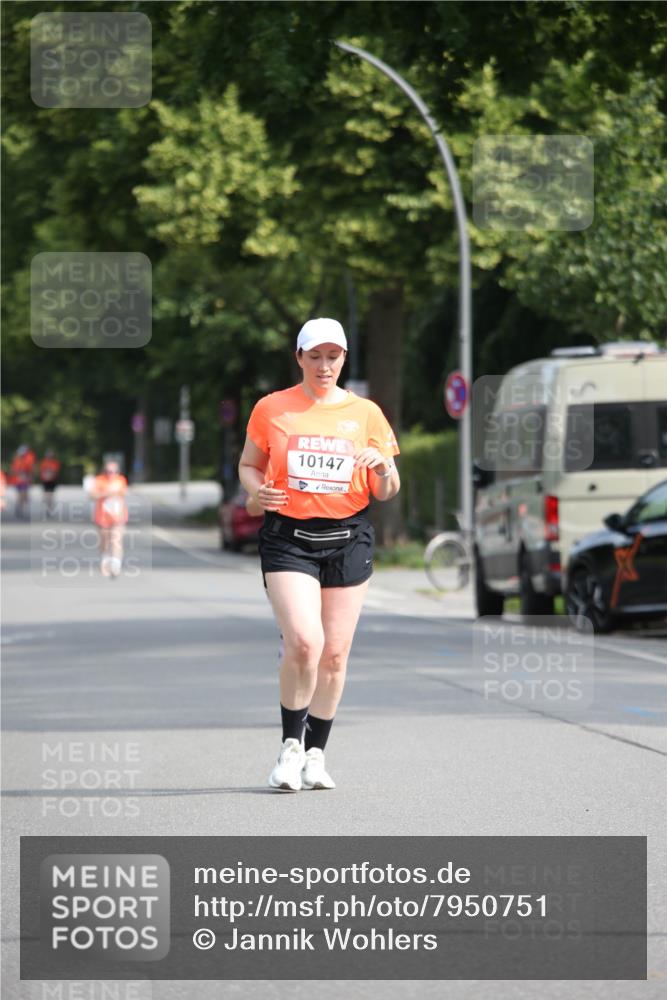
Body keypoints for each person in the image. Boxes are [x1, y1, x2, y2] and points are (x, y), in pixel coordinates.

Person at [238, 317, 400, 792]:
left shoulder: (366, 413)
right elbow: (249, 464)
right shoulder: (273, 408)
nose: (324, 365)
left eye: (333, 356)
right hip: (289, 536)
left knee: (334, 654)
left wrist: (385, 467)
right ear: (299, 358)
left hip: (349, 536)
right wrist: (258, 491)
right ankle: (289, 749)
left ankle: (316, 754)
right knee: (305, 643)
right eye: (315, 356)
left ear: (344, 359)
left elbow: (388, 490)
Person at [88, 460, 129, 578]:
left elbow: (123, 493)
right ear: (105, 471)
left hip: (118, 517)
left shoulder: (121, 480)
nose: (111, 474)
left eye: (114, 471)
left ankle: (115, 566)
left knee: (116, 541)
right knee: (105, 543)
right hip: (102, 517)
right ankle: (105, 561)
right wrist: (106, 493)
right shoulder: (100, 480)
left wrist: (116, 492)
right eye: (109, 471)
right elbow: (92, 495)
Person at [10, 445, 36, 519]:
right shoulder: (17, 460)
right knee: (21, 495)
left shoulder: (28, 460)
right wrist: (18, 472)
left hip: (25, 480)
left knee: (25, 496)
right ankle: (19, 509)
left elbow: (31, 471)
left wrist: (30, 478)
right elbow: (12, 470)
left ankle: (20, 508)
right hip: (18, 481)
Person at [39, 449, 61, 516]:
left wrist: (51, 475)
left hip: (52, 481)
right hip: (45, 481)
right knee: (46, 495)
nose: (49, 456)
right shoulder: (43, 462)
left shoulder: (55, 462)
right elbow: (42, 471)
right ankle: (46, 507)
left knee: (51, 495)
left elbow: (56, 471)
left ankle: (49, 508)